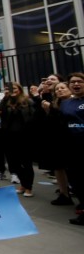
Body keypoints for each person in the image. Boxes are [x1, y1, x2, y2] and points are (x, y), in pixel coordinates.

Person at [54, 73, 84, 225]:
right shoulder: (67, 103)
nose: (76, 84)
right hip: (71, 147)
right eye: (73, 82)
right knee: (76, 180)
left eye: (79, 81)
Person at [0, 82, 35, 197]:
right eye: (9, 89)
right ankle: (23, 184)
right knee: (13, 163)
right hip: (9, 136)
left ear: (19, 89)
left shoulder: (27, 101)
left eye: (14, 88)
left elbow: (31, 118)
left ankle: (28, 187)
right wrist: (6, 97)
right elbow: (0, 111)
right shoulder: (7, 102)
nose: (12, 90)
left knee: (26, 163)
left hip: (23, 136)